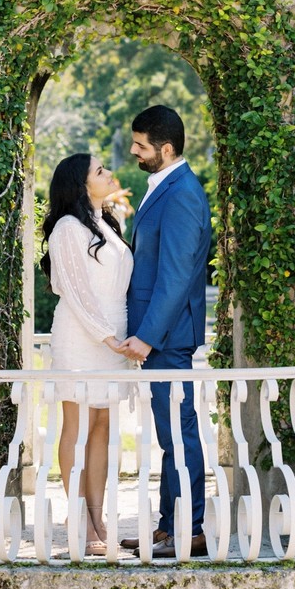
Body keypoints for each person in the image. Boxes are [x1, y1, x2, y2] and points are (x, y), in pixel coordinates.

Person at [121, 103, 212, 556]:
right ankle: (167, 526)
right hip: (163, 336)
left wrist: (147, 336)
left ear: (167, 148)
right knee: (169, 434)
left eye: (141, 146)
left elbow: (175, 276)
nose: (134, 152)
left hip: (169, 337)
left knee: (179, 432)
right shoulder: (164, 186)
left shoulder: (182, 193)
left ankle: (190, 531)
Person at [41, 151, 134, 552]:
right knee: (77, 427)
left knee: (103, 428)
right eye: (100, 170)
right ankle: (79, 518)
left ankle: (98, 516)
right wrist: (107, 337)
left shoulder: (107, 223)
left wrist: (123, 339)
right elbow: (77, 293)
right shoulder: (67, 228)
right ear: (81, 184)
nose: (109, 173)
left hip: (115, 338)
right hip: (82, 336)